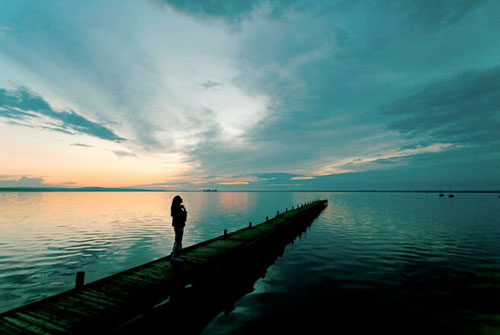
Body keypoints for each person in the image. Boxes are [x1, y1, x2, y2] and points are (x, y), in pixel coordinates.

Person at [170, 195, 187, 262]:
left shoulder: (174, 207)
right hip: (179, 225)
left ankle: (174, 254)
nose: (181, 200)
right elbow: (183, 218)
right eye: (180, 199)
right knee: (178, 241)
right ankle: (175, 256)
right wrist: (184, 210)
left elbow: (173, 216)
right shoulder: (177, 208)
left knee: (177, 240)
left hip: (176, 225)